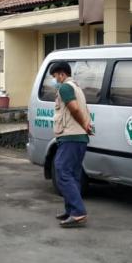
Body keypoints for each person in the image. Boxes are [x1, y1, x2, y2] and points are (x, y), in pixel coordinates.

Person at [49, 61, 93, 228]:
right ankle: (71, 210)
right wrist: (87, 126)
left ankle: (77, 212)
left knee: (62, 170)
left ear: (62, 74)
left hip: (71, 136)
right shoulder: (77, 88)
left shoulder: (66, 87)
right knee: (72, 175)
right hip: (79, 137)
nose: (55, 80)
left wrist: (83, 125)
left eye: (55, 76)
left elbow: (74, 109)